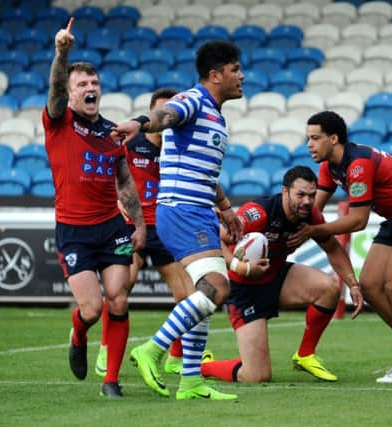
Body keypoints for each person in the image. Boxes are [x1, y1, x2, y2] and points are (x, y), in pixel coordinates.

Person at [111, 40, 244, 401]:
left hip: (199, 209)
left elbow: (205, 172)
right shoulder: (193, 100)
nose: (241, 76)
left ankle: (191, 380)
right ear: (215, 75)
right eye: (235, 70)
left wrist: (227, 208)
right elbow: (165, 115)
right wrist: (140, 122)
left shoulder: (215, 113)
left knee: (202, 293)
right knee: (217, 286)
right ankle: (151, 350)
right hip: (182, 209)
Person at [288, 111, 392, 385]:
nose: (309, 144)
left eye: (315, 138)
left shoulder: (358, 163)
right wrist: (285, 229)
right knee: (369, 285)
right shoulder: (328, 167)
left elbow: (358, 221)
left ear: (334, 139)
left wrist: (315, 231)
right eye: (307, 138)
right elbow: (315, 212)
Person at [43, 18, 147, 399]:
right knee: (92, 308)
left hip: (111, 227)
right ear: (70, 94)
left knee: (119, 297)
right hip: (73, 229)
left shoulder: (111, 132)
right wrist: (62, 54)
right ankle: (78, 330)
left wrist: (138, 223)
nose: (90, 89)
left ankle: (111, 381)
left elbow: (124, 181)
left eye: (94, 84)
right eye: (81, 84)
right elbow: (53, 89)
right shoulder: (59, 121)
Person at [201, 166, 364, 383]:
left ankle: (305, 355)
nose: (307, 201)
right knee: (256, 376)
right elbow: (217, 237)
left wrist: (353, 285)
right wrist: (237, 266)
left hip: (276, 277)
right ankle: (203, 366)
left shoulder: (311, 216)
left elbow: (333, 248)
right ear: (285, 192)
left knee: (328, 289)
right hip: (245, 289)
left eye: (312, 195)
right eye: (301, 195)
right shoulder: (259, 213)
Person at [94, 89, 194, 378]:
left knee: (188, 296)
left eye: (170, 114)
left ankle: (175, 357)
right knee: (122, 287)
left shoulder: (181, 149)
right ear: (150, 116)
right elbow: (107, 173)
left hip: (166, 228)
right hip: (131, 226)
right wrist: (113, 199)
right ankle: (106, 347)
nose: (164, 120)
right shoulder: (130, 143)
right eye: (159, 114)